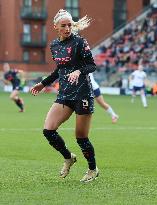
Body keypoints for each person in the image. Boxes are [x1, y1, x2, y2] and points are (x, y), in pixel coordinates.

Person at [30, 9, 99, 183]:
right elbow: (59, 70)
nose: (68, 28)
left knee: (81, 137)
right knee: (48, 131)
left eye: (70, 25)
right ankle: (68, 157)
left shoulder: (80, 42)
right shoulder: (54, 45)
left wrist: (78, 70)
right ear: (56, 27)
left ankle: (92, 169)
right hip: (65, 94)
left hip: (82, 93)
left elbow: (91, 65)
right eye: (64, 25)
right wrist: (43, 83)